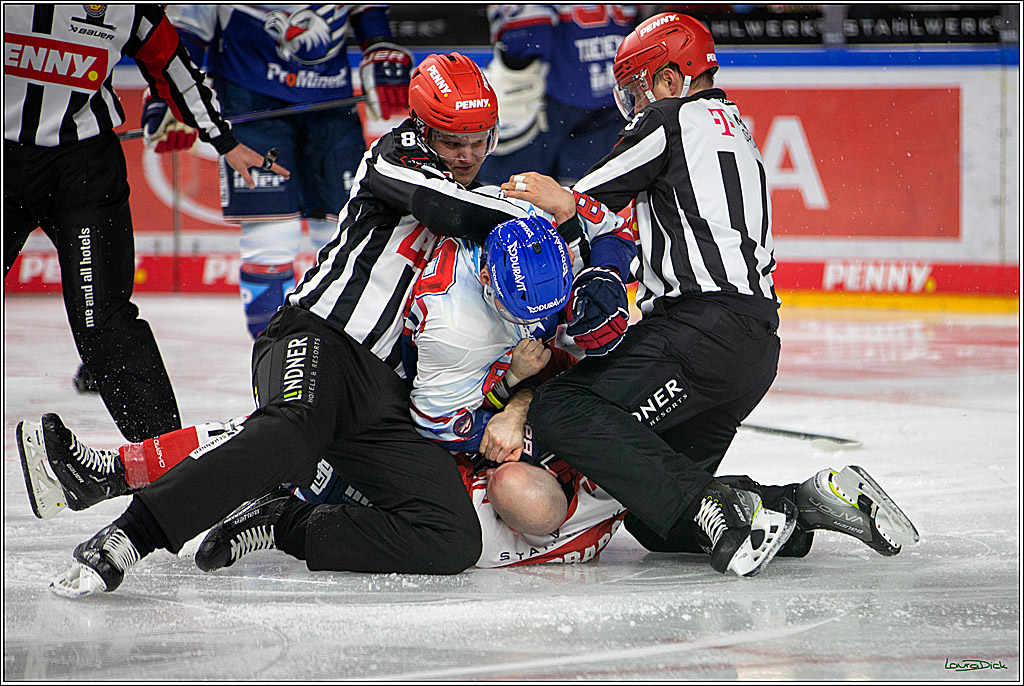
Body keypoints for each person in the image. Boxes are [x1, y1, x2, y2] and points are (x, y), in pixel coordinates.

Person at [30, 53, 622, 597]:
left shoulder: (483, 199)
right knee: (294, 429)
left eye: (478, 141)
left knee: (452, 536)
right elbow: (450, 207)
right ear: (420, 127)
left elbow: (577, 247)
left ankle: (287, 520)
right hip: (318, 336)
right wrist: (561, 216)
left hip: (384, 390)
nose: (467, 155)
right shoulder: (396, 158)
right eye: (451, 140)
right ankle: (129, 535)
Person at [500, 13, 920, 575]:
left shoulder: (668, 120)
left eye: (640, 89)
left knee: (563, 409)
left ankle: (717, 508)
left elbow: (580, 200)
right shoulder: (736, 129)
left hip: (700, 331)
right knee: (657, 519)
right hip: (752, 346)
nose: (635, 105)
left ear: (672, 79)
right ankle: (811, 500)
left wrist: (542, 200)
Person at [16, 218, 626, 568]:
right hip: (378, 375)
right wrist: (511, 389)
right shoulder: (455, 327)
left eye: (542, 316)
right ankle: (120, 472)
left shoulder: (539, 268)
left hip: (412, 396)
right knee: (297, 439)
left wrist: (519, 396)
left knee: (313, 456)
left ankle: (261, 512)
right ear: (491, 280)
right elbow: (443, 425)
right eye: (520, 313)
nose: (535, 329)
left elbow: (598, 263)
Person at [4, 4, 289, 443]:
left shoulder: (131, 9)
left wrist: (224, 140)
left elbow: (175, 69)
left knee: (105, 322)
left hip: (83, 170)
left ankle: (168, 469)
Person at [159, 5, 413, 338]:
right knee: (270, 237)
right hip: (250, 97)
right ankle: (275, 350)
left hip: (330, 102)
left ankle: (341, 347)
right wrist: (171, 95)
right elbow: (187, 26)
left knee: (344, 232)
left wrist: (379, 43)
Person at [477, 4, 638, 186]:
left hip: (557, 92)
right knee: (582, 191)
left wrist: (518, 64)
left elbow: (526, 35)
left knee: (509, 190)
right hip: (611, 91)